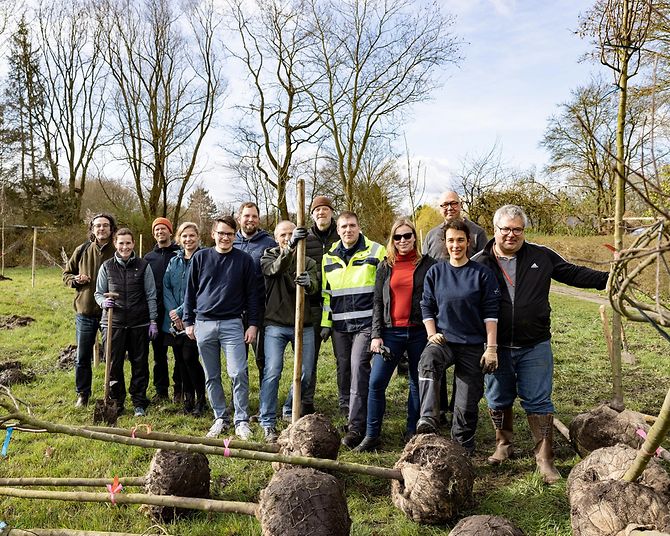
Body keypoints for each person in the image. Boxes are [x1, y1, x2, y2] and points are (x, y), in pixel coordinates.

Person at [472, 204, 609, 483]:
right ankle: (503, 444)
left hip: (534, 344)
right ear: (495, 230)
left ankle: (545, 459)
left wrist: (608, 278)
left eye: (517, 229)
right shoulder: (478, 262)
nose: (511, 235)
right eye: (506, 229)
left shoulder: (541, 255)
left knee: (539, 400)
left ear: (524, 231)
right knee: (498, 398)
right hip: (496, 347)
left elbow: (572, 273)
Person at [417, 219, 500, 455]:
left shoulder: (482, 274)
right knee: (428, 360)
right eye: (451, 240)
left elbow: (491, 314)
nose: (456, 245)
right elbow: (426, 306)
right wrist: (432, 334)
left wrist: (491, 348)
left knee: (465, 405)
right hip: (445, 341)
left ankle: (461, 449)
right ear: (445, 243)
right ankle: (428, 419)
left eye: (460, 240)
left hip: (473, 345)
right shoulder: (436, 272)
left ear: (469, 242)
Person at [356, 219, 437, 452]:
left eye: (407, 236)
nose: (403, 241)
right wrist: (376, 334)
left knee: (416, 382)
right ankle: (372, 435)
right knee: (376, 382)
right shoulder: (385, 266)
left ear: (415, 237)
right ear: (392, 240)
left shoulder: (428, 265)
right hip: (390, 333)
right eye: (398, 237)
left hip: (419, 332)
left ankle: (412, 433)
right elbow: (378, 302)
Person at [183, 216, 259, 440]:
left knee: (238, 372)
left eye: (230, 234)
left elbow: (253, 296)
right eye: (221, 233)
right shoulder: (200, 257)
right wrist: (188, 322)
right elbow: (190, 292)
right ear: (213, 234)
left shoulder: (244, 260)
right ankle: (220, 418)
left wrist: (253, 324)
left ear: (234, 236)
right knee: (211, 375)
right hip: (204, 324)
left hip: (233, 324)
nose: (225, 237)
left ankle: (241, 420)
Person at [321, 211, 386, 449]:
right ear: (337, 230)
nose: (348, 230)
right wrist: (326, 324)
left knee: (359, 368)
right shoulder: (328, 257)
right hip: (340, 325)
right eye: (343, 227)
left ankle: (357, 428)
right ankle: (351, 414)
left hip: (366, 324)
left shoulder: (376, 251)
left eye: (352, 225)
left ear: (359, 227)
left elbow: (382, 293)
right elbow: (327, 295)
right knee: (344, 369)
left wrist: (380, 326)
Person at [259, 221, 319, 442]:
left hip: (303, 324)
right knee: (272, 370)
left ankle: (288, 409)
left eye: (291, 234)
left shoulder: (309, 261)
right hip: (275, 323)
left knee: (305, 372)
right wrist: (290, 248)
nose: (286, 237)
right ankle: (267, 420)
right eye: (283, 234)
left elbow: (315, 286)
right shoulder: (268, 256)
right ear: (276, 238)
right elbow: (275, 269)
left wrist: (308, 283)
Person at [95, 228, 158, 417]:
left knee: (140, 364)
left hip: (139, 323)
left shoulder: (143, 266)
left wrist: (153, 320)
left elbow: (151, 295)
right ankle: (116, 401)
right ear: (115, 243)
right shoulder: (107, 266)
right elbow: (98, 293)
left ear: (133, 244)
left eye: (128, 243)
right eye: (121, 243)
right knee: (113, 364)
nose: (125, 246)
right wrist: (103, 303)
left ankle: (139, 401)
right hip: (113, 323)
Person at [63, 213, 117, 408]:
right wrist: (76, 280)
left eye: (105, 226)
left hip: (110, 314)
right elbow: (66, 274)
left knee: (112, 355)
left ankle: (111, 393)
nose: (101, 229)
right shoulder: (83, 249)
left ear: (111, 229)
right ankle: (83, 394)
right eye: (97, 226)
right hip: (85, 311)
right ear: (92, 229)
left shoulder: (118, 250)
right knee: (82, 356)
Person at [163, 222, 207, 416]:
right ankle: (188, 399)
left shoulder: (205, 259)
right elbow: (166, 287)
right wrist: (173, 312)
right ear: (179, 239)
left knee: (190, 357)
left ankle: (201, 398)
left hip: (196, 317)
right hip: (174, 321)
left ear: (198, 237)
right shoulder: (174, 261)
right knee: (180, 359)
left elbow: (201, 290)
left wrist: (182, 311)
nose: (188, 240)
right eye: (184, 236)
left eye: (191, 236)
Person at [233, 202, 277, 390]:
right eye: (246, 216)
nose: (250, 219)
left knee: (262, 358)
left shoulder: (268, 243)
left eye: (254, 216)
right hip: (233, 310)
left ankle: (265, 401)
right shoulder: (230, 241)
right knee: (236, 359)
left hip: (260, 309)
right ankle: (237, 399)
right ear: (239, 218)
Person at [304, 195, 340, 414]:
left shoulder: (343, 234)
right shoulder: (305, 240)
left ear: (331, 212)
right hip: (313, 305)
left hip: (341, 304)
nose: (321, 213)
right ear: (312, 214)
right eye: (317, 210)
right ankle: (306, 401)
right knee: (310, 358)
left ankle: (347, 400)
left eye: (325, 209)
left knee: (343, 358)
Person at [144, 217, 180, 402]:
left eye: (163, 229)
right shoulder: (149, 258)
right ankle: (161, 390)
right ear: (153, 233)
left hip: (176, 312)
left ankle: (179, 389)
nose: (160, 232)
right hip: (156, 313)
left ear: (170, 232)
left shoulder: (179, 254)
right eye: (157, 230)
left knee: (180, 354)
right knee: (159, 355)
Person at [422, 191, 488, 260]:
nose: (450, 208)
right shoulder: (431, 236)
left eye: (453, 203)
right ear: (440, 209)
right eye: (445, 205)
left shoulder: (477, 233)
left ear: (461, 205)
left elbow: (485, 263)